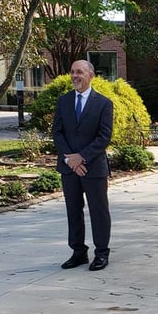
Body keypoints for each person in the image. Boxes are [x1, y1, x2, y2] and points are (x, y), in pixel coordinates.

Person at [52, 60, 114, 271]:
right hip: (69, 167)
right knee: (73, 210)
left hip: (93, 167)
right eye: (72, 72)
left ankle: (101, 253)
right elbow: (57, 132)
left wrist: (82, 157)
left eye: (79, 72)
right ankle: (78, 252)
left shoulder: (103, 103)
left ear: (91, 75)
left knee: (99, 211)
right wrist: (70, 159)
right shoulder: (63, 101)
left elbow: (104, 137)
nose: (75, 76)